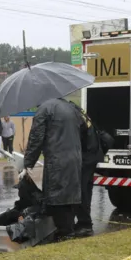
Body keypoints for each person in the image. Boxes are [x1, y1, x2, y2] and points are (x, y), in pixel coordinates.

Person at [23, 97, 85, 237]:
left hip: (57, 161)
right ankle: (68, 230)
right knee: (69, 198)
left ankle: (64, 233)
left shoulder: (44, 110)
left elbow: (36, 139)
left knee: (56, 198)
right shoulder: (72, 108)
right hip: (74, 158)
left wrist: (27, 164)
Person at [70, 102, 108, 234]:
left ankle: (85, 224)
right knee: (86, 189)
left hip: (87, 157)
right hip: (93, 155)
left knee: (82, 191)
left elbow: (75, 138)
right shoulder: (80, 112)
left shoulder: (74, 116)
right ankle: (84, 222)